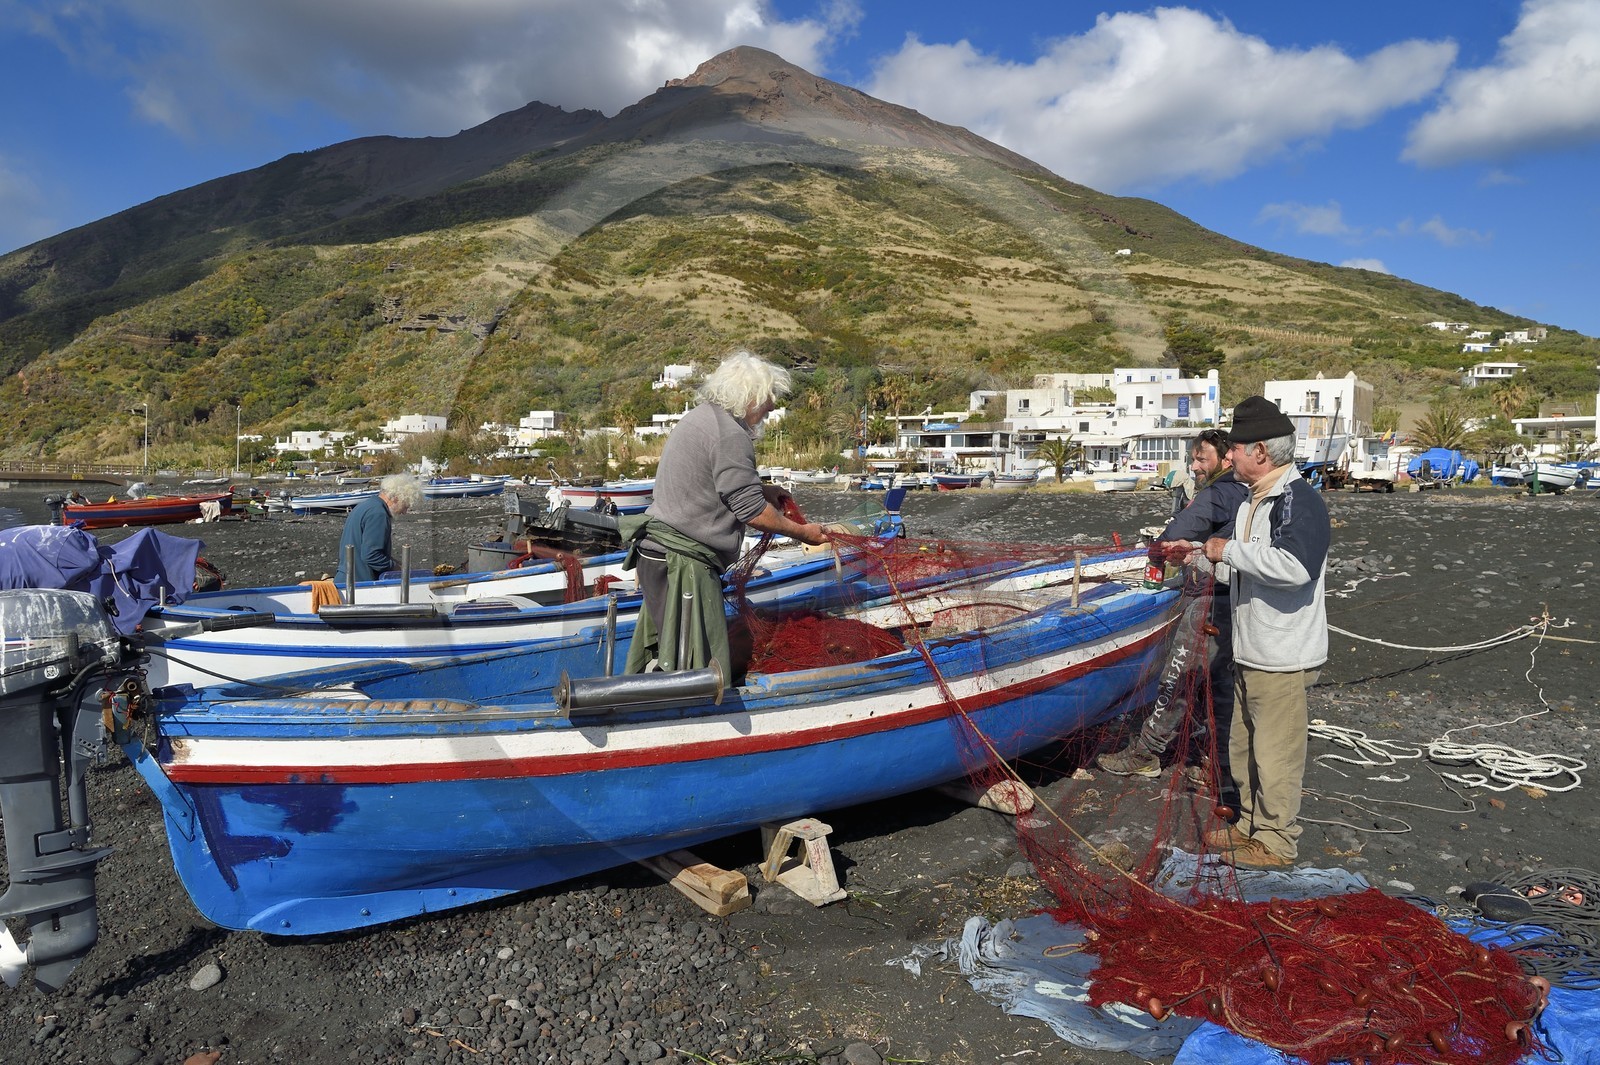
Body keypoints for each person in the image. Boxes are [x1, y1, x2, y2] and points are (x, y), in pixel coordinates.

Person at [1176, 396, 1330, 870]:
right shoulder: (1253, 501)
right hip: (1250, 650)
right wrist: (1200, 555)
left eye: (1236, 448)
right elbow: (1243, 573)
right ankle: (1249, 828)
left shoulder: (1296, 500)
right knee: (1243, 747)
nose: (1229, 457)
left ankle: (1277, 842)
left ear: (1260, 451)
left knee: (1276, 755)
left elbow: (1296, 567)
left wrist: (1226, 550)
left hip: (1283, 657)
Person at [622, 350, 827, 680]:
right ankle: (687, 721)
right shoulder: (731, 435)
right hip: (681, 566)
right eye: (768, 399)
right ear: (749, 397)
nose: (772, 407)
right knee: (694, 668)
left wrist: (761, 488)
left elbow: (714, 482)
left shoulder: (702, 417)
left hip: (656, 556)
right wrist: (806, 533)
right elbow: (752, 513)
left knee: (671, 651)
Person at [1098, 429, 1247, 798]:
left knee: (1178, 675)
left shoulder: (1219, 492)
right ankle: (1218, 763)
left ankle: (1147, 753)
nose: (1195, 466)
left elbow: (1172, 536)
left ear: (1226, 459)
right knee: (1219, 683)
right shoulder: (1246, 493)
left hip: (1212, 599)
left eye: (1202, 459)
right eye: (1193, 459)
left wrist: (1157, 550)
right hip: (1239, 599)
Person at [332, 473, 423, 586]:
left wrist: (394, 562)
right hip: (359, 583)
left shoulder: (366, 505)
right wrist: (396, 567)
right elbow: (371, 555)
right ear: (396, 497)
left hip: (346, 577)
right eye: (405, 506)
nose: (404, 512)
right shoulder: (379, 513)